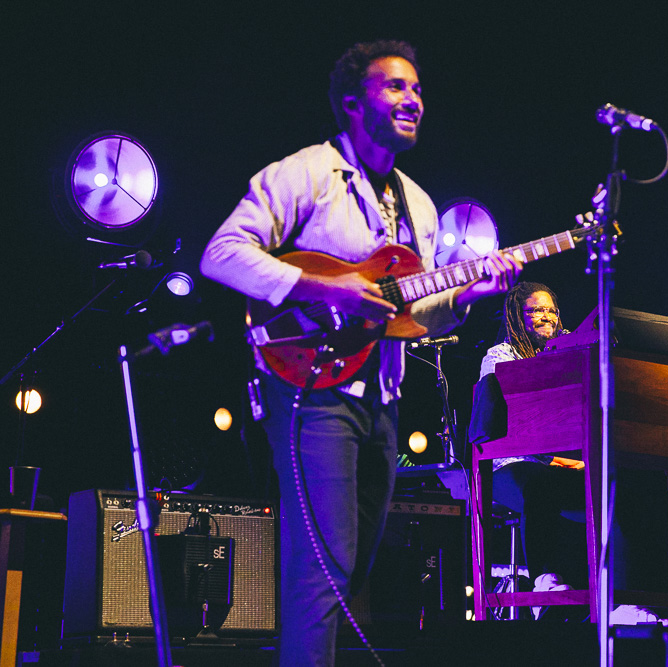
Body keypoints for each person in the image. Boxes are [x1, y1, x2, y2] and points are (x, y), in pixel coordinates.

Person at [201, 40, 521, 665]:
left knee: (352, 565)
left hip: (384, 399)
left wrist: (469, 294)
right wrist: (327, 287)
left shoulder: (420, 205)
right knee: (324, 564)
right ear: (352, 103)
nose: (413, 100)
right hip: (310, 386)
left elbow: (407, 316)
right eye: (396, 87)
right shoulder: (305, 174)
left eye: (419, 89)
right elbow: (221, 255)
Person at [477, 282, 668, 623]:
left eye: (551, 310)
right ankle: (544, 582)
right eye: (536, 310)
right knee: (539, 482)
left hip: (568, 464)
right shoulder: (500, 356)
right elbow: (507, 422)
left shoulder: (568, 349)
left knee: (627, 486)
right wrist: (565, 460)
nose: (546, 316)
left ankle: (624, 601)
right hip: (514, 464)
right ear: (516, 316)